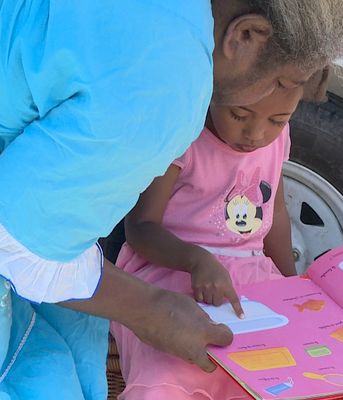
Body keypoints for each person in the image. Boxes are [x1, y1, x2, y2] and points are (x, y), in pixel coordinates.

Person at [0, 1, 343, 398]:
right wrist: (149, 310)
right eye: (283, 78)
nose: (279, 99)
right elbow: (20, 241)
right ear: (245, 35)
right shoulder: (169, 80)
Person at [110, 68, 330, 400]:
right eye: (240, 114)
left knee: (273, 371)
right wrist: (196, 260)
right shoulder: (184, 137)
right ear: (213, 90)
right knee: (170, 370)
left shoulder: (277, 139)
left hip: (253, 283)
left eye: (278, 119)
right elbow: (140, 228)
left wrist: (292, 286)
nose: (256, 133)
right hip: (170, 275)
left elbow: (276, 213)